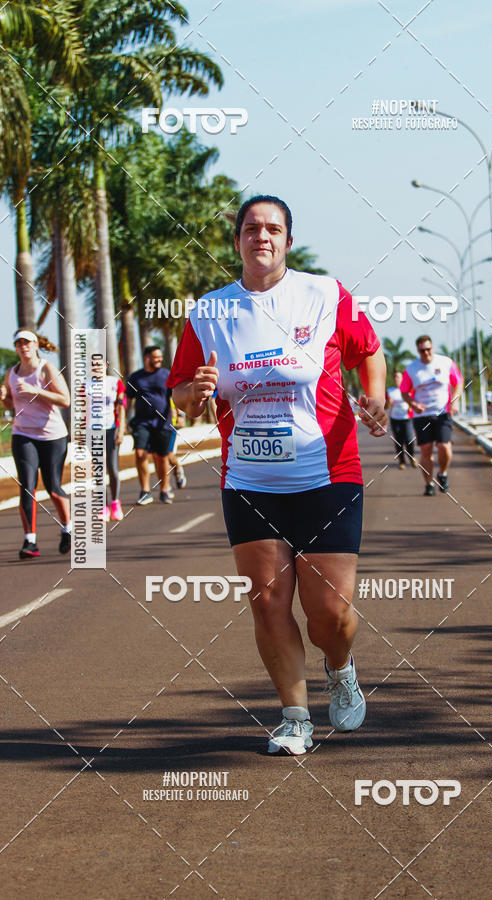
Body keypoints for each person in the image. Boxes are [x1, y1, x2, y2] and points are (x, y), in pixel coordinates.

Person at [168, 194, 387, 755]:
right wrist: (192, 394)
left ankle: (339, 666)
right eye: (250, 228)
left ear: (288, 239)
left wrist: (377, 397)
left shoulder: (324, 293)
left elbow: (371, 350)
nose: (261, 236)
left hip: (328, 473)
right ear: (237, 239)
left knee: (330, 613)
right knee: (268, 603)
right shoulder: (209, 312)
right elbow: (184, 394)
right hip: (249, 480)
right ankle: (295, 717)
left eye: (273, 228)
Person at [0, 330, 71, 559]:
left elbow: (65, 400)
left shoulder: (46, 368)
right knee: (27, 487)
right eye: (19, 343)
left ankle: (67, 530)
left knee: (53, 486)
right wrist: (3, 398)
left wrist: (36, 390)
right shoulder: (11, 372)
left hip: (52, 435)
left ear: (36, 345)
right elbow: (11, 403)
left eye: (27, 343)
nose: (23, 347)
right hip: (23, 434)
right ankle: (30, 541)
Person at [400, 335, 463, 496]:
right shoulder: (411, 369)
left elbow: (459, 382)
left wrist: (454, 401)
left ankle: (442, 474)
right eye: (422, 351)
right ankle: (428, 484)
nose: (426, 353)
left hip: (443, 413)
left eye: (428, 349)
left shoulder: (446, 362)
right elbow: (404, 391)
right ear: (418, 351)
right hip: (422, 416)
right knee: (426, 450)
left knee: (444, 446)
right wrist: (414, 405)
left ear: (432, 347)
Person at [126, 346, 175, 505]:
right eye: (156, 357)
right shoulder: (136, 378)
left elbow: (174, 397)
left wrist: (178, 416)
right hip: (141, 422)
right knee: (140, 454)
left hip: (163, 423)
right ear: (147, 358)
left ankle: (164, 489)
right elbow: (128, 399)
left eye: (160, 357)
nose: (160, 360)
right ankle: (145, 491)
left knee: (161, 458)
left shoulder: (166, 375)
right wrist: (125, 421)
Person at [85, 357, 126, 522]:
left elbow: (122, 406)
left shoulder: (115, 383)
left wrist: (121, 429)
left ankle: (115, 502)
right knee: (99, 469)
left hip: (111, 428)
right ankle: (103, 506)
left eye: (100, 364)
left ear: (106, 366)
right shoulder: (86, 386)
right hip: (93, 430)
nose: (97, 367)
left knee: (113, 467)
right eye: (93, 364)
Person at [385, 370, 417, 469]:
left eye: (398, 377)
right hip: (395, 418)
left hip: (407, 418)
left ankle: (412, 457)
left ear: (402, 378)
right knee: (398, 441)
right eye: (395, 377)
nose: (396, 379)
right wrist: (389, 402)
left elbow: (415, 401)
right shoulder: (390, 391)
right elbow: (386, 407)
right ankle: (402, 462)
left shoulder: (408, 389)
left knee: (409, 439)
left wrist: (411, 406)